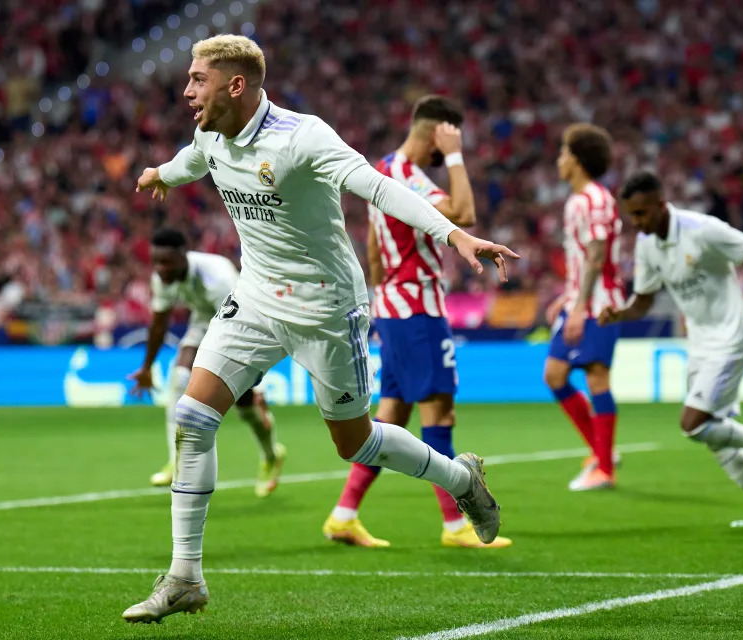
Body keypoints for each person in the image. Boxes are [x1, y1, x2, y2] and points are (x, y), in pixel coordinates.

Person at [122, 34, 518, 624]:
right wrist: (162, 172)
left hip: (327, 308)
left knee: (354, 442)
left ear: (236, 84)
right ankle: (185, 577)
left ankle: (462, 479)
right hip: (254, 298)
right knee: (191, 416)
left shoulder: (303, 136)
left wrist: (455, 235)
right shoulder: (211, 132)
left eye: (197, 79)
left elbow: (380, 189)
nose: (186, 91)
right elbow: (193, 158)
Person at [322, 95, 511, 550]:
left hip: (392, 305)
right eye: (441, 145)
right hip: (417, 309)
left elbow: (372, 250)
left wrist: (380, 298)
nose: (439, 157)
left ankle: (344, 516)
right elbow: (464, 215)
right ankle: (454, 524)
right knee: (438, 414)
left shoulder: (381, 168)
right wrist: (456, 157)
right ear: (435, 134)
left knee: (390, 417)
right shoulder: (408, 175)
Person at [599, 170, 743, 527]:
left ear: (661, 205)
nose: (637, 222)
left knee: (693, 423)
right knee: (714, 433)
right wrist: (620, 314)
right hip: (701, 344)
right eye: (632, 215)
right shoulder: (646, 243)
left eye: (642, 213)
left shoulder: (702, 229)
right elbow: (643, 301)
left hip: (732, 339)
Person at [128, 227, 285, 497]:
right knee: (179, 379)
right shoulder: (163, 278)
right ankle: (177, 461)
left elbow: (250, 325)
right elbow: (158, 324)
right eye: (155, 262)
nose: (160, 269)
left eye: (166, 262)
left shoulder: (218, 279)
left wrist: (257, 379)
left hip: (243, 323)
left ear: (182, 256)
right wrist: (146, 368)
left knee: (246, 406)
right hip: (204, 320)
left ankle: (272, 455)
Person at [543, 124, 624, 491]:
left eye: (563, 153)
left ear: (576, 159)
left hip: (600, 305)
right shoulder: (578, 201)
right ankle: (601, 451)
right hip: (582, 300)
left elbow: (596, 256)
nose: (559, 160)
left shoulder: (594, 199)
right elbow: (583, 260)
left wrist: (578, 307)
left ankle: (604, 468)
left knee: (596, 378)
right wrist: (568, 296)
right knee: (555, 375)